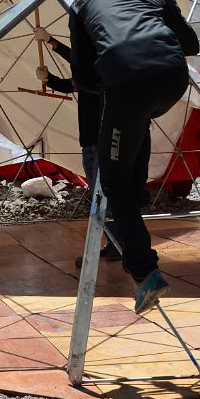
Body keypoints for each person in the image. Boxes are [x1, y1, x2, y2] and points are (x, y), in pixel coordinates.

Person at [68, 0, 199, 314]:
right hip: (173, 78)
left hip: (127, 83)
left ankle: (145, 273)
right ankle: (137, 198)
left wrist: (111, 82)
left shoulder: (83, 1)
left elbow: (80, 74)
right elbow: (191, 43)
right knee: (135, 132)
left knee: (114, 181)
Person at [32, 26, 121, 262]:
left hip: (101, 140)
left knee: (105, 194)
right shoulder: (88, 75)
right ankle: (114, 243)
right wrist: (48, 79)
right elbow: (71, 84)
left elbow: (83, 66)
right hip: (90, 141)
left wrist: (52, 41)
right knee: (98, 194)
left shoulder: (103, 68)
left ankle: (119, 244)